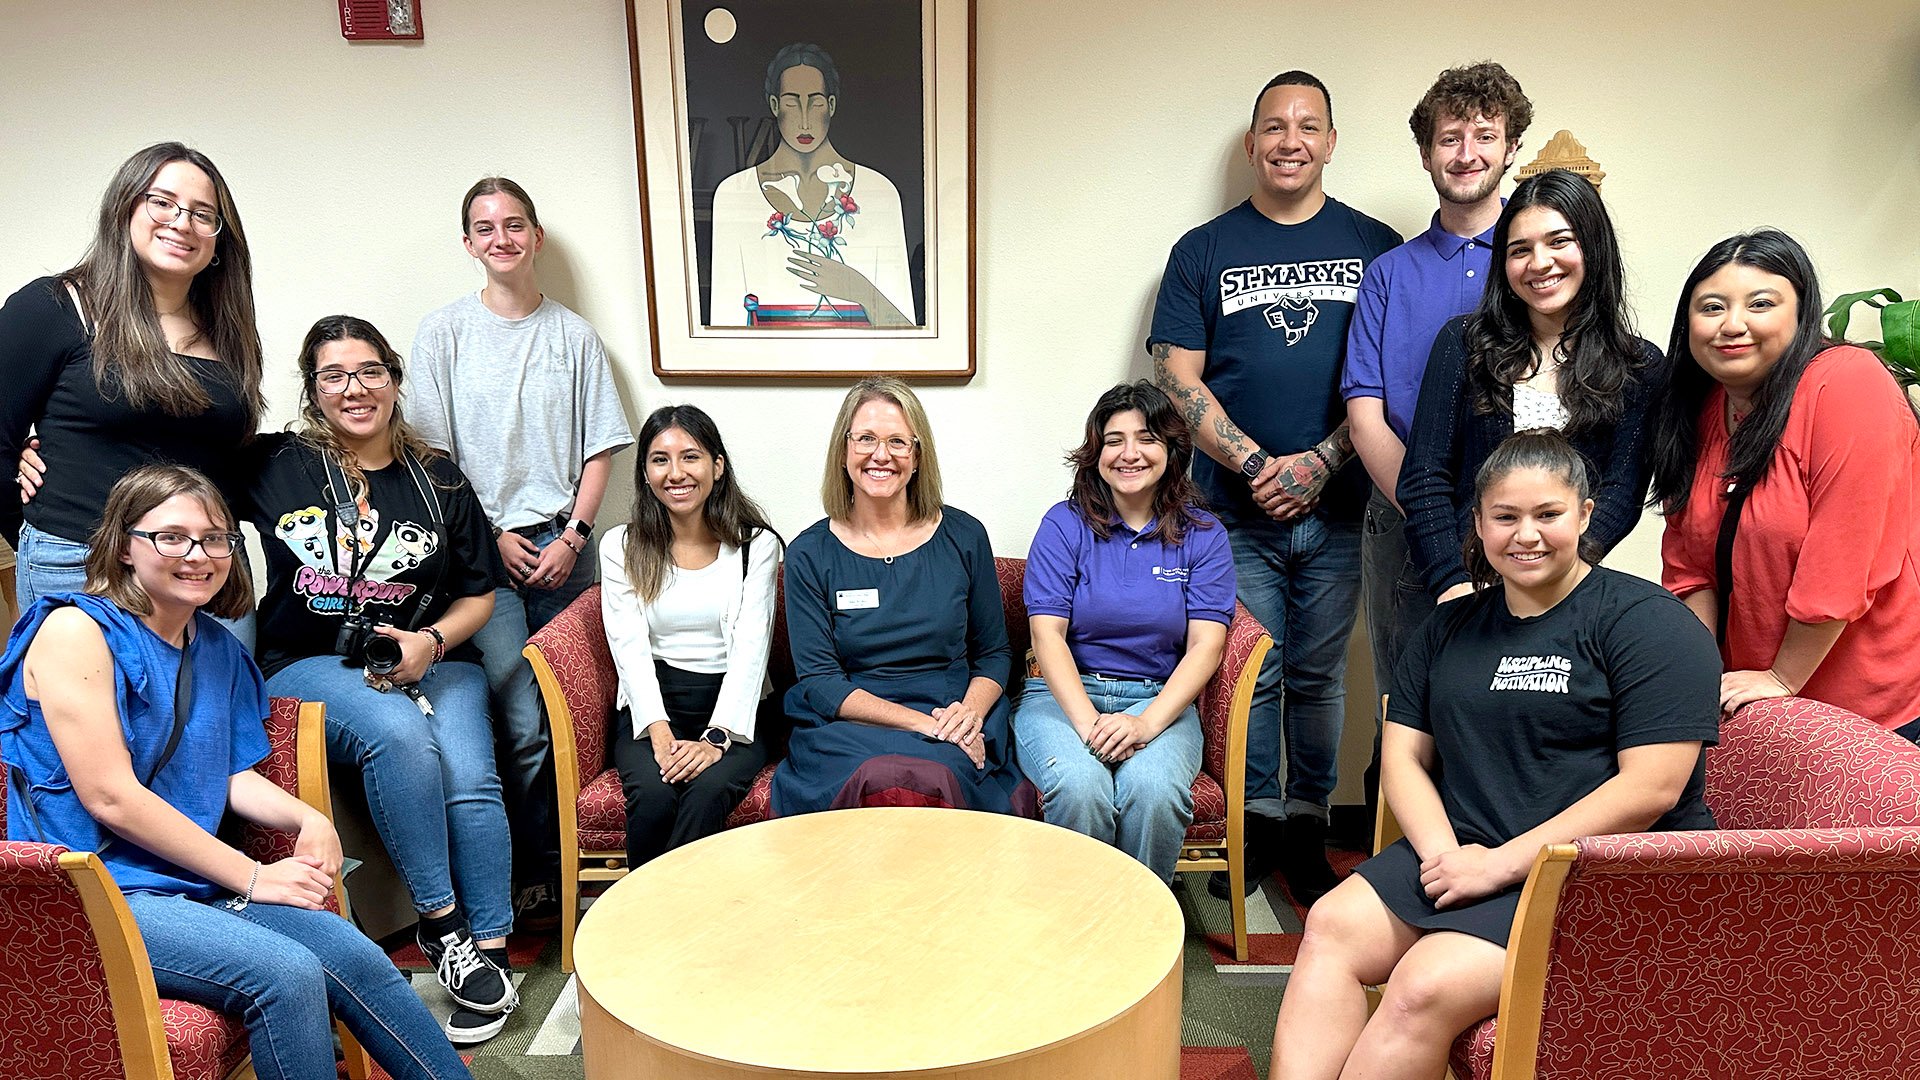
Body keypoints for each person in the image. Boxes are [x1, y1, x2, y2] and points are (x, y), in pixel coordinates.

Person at [1271, 431, 1719, 1080]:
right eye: (1505, 517)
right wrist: (1445, 858)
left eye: (1548, 515)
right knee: (1333, 924)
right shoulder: (1449, 627)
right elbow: (1403, 758)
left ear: (1585, 514)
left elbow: (1651, 790)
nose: (1526, 535)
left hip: (1596, 872)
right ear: (1478, 524)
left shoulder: (1649, 624)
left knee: (1425, 983)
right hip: (1469, 846)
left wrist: (1499, 868)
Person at [1, 465, 473, 1080]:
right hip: (87, 894)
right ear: (124, 546)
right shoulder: (75, 631)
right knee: (287, 975)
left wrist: (308, 816)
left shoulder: (215, 647)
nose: (198, 554)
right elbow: (110, 797)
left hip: (180, 885)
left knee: (354, 955)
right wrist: (255, 877)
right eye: (171, 537)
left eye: (215, 538)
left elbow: (223, 773)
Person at [1149, 70, 1401, 905]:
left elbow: (1392, 380)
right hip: (1233, 511)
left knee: (1321, 677)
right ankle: (1251, 826)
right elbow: (1177, 378)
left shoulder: (1377, 246)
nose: (1290, 140)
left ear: (1331, 143)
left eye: (1308, 125)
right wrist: (1258, 466)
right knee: (1253, 673)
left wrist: (1323, 462)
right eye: (1273, 126)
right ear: (1252, 143)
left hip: (1341, 509)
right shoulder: (1203, 250)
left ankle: (1305, 827)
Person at [247, 316, 518, 1045]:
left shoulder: (440, 477)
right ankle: (443, 924)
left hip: (435, 656)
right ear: (312, 391)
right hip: (313, 662)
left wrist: (429, 643)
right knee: (400, 735)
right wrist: (32, 448)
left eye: (369, 371)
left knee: (468, 768)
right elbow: (169, 462)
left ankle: (489, 949)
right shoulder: (276, 462)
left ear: (395, 380)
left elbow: (479, 594)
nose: (354, 388)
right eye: (333, 376)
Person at [408, 176, 634, 921]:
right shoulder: (442, 335)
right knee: (524, 723)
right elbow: (432, 457)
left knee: (585, 711)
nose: (501, 238)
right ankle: (532, 880)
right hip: (483, 554)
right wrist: (491, 534)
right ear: (468, 244)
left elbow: (601, 449)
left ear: (535, 237)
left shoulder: (572, 336)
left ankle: (584, 875)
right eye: (485, 227)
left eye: (514, 224)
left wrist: (575, 534)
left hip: (565, 549)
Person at [1342, 62, 1532, 825]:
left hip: (1522, 525)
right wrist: (1430, 518)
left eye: (1484, 135)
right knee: (1409, 694)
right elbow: (1364, 411)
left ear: (1511, 147)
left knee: (1512, 695)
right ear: (1425, 154)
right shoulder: (1389, 273)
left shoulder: (1539, 259)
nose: (1465, 153)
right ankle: (1402, 864)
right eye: (1449, 138)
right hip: (1404, 519)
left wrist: (1500, 520)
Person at [1651, 230, 1920, 741]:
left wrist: (1782, 677)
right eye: (1711, 307)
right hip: (1758, 708)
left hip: (1875, 714)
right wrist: (1702, 675)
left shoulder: (1846, 382)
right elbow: (1691, 569)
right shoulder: (1704, 409)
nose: (1733, 325)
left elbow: (1842, 560)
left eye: (1760, 304)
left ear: (1800, 315)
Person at [1, 143, 263, 625]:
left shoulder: (228, 331)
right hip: (80, 565)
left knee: (216, 702)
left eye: (204, 214)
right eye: (161, 202)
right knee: (89, 703)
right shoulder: (54, 307)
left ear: (219, 241)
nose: (182, 222)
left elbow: (232, 456)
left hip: (206, 569)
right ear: (124, 207)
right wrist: (32, 528)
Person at [1399, 168, 1664, 604]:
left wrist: (1550, 577)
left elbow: (1621, 493)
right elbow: (1424, 476)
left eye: (1559, 242)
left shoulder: (1640, 366)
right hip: (1456, 589)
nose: (1540, 263)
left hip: (1569, 591)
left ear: (1593, 248)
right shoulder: (1461, 345)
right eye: (1520, 249)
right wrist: (1453, 583)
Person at [773, 377, 1031, 816]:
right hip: (850, 725)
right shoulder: (808, 554)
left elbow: (993, 652)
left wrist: (966, 717)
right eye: (866, 439)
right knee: (883, 775)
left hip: (951, 709)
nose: (881, 454)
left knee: (938, 773)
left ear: (917, 456)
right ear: (843, 451)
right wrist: (927, 726)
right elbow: (820, 683)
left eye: (897, 441)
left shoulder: (965, 537)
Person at [1013, 382, 1234, 882]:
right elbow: (1046, 636)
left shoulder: (1203, 534)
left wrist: (1146, 724)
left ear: (1172, 450)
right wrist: (1090, 723)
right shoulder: (1063, 525)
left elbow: (1207, 646)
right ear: (1096, 453)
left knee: (1155, 791)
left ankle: (1138, 933)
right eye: (1114, 440)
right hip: (1064, 696)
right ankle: (1077, 929)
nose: (1129, 453)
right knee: (1079, 787)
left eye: (1146, 438)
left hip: (1158, 699)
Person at [601, 405, 781, 865]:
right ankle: (645, 924)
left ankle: (679, 924)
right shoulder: (621, 545)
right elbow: (629, 646)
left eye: (691, 457)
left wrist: (716, 738)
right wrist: (660, 733)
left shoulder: (754, 544)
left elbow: (752, 648)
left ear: (717, 467)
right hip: (652, 706)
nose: (676, 473)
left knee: (706, 793)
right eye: (660, 459)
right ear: (644, 472)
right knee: (656, 795)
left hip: (736, 710)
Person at [708, 42, 916, 328]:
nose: (804, 120)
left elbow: (907, 339)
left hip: (861, 367)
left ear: (830, 105)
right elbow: (723, 332)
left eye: (815, 102)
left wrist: (859, 289)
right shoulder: (734, 195)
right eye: (792, 103)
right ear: (775, 105)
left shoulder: (879, 193)